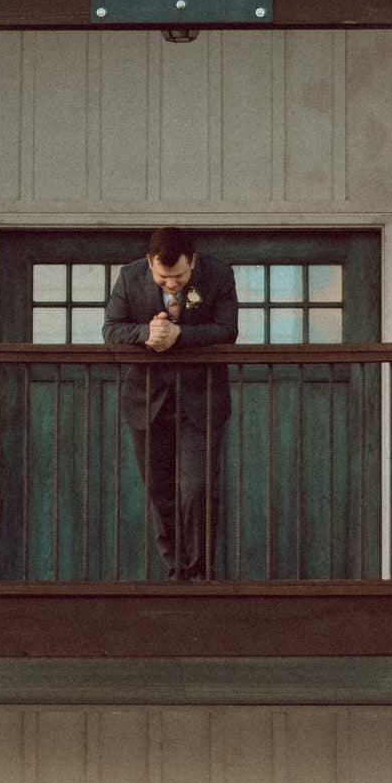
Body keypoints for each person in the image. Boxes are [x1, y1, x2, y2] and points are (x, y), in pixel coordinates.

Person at [103, 229, 237, 579]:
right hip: (147, 400)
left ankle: (199, 571)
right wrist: (146, 334)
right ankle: (176, 569)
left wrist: (181, 336)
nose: (171, 284)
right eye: (163, 278)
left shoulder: (219, 274)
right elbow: (112, 330)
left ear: (192, 261)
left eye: (179, 276)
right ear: (150, 264)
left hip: (201, 399)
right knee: (159, 491)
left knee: (197, 488)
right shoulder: (130, 277)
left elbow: (227, 329)